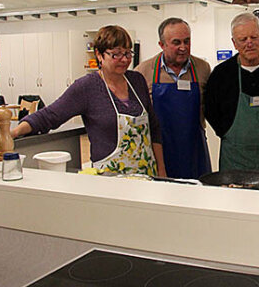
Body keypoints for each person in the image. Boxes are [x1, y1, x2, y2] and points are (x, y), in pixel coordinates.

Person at [9, 25, 165, 176]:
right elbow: (50, 115)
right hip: (108, 177)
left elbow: (154, 127)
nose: (124, 60)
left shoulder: (136, 80)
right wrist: (14, 131)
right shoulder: (87, 87)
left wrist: (161, 169)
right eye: (116, 54)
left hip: (146, 174)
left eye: (127, 53)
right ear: (99, 54)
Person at [204, 12, 259, 185]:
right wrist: (227, 132)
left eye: (254, 37)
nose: (249, 43)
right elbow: (210, 109)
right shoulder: (221, 74)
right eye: (243, 39)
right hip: (234, 158)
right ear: (234, 43)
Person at [135, 17, 212, 179]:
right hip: (160, 152)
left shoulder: (203, 68)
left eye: (187, 41)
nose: (183, 47)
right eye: (176, 42)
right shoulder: (143, 71)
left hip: (194, 151)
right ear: (162, 45)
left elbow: (212, 108)